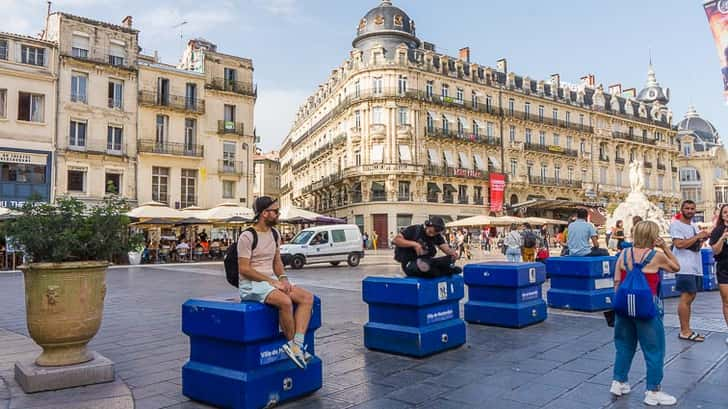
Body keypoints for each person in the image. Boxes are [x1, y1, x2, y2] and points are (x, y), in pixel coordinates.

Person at [238, 196, 314, 369]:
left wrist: (283, 279)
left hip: (271, 282)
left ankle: (297, 345)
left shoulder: (275, 234)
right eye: (275, 211)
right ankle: (293, 345)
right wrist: (272, 282)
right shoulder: (247, 236)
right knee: (285, 301)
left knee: (307, 298)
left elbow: (277, 261)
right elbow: (244, 269)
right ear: (264, 213)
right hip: (251, 284)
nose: (278, 214)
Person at [611, 221, 680, 406]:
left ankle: (619, 382)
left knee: (624, 345)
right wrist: (665, 246)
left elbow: (617, 280)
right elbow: (676, 266)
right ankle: (653, 391)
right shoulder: (656, 256)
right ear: (652, 236)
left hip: (624, 307)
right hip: (647, 308)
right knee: (654, 349)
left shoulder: (624, 253)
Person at [670, 200, 709, 342]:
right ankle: (684, 331)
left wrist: (701, 238)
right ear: (682, 210)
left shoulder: (693, 226)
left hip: (695, 267)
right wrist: (698, 237)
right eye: (687, 208)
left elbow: (696, 244)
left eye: (692, 208)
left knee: (691, 297)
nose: (690, 211)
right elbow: (679, 244)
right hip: (684, 267)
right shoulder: (676, 225)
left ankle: (687, 329)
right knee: (686, 298)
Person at [393, 216, 461, 278]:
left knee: (445, 260)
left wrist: (453, 254)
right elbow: (396, 240)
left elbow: (446, 248)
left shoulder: (437, 236)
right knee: (429, 270)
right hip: (410, 263)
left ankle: (444, 269)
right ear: (428, 225)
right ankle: (446, 270)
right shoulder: (415, 229)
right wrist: (414, 244)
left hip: (427, 261)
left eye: (436, 232)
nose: (433, 234)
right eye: (431, 231)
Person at [709, 203, 728, 346]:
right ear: (721, 215)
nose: (727, 214)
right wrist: (722, 237)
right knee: (727, 302)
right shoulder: (717, 231)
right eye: (725, 212)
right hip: (724, 269)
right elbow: (715, 251)